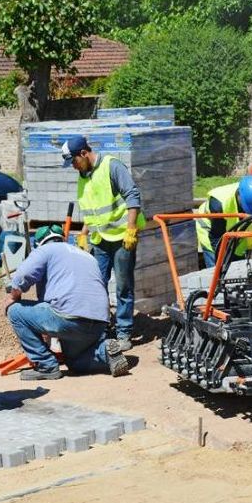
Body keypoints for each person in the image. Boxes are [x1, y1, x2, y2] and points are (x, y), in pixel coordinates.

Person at [5, 224, 134, 380]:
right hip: (99, 322)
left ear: (39, 243)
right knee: (75, 363)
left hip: (68, 318)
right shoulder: (87, 255)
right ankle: (105, 353)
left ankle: (46, 365)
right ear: (62, 239)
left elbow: (21, 277)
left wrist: (13, 298)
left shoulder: (45, 250)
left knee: (15, 312)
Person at [62, 135, 145, 352]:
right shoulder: (83, 176)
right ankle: (101, 327)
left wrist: (131, 229)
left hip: (121, 238)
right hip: (99, 239)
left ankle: (124, 332)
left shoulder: (111, 166)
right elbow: (91, 210)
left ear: (83, 153)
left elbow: (132, 196)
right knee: (96, 285)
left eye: (73, 161)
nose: (72, 166)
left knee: (123, 286)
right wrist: (83, 233)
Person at [196, 175, 252, 268]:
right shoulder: (219, 203)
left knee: (240, 268)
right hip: (212, 230)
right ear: (239, 195)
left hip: (237, 233)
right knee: (217, 271)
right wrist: (222, 262)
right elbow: (216, 237)